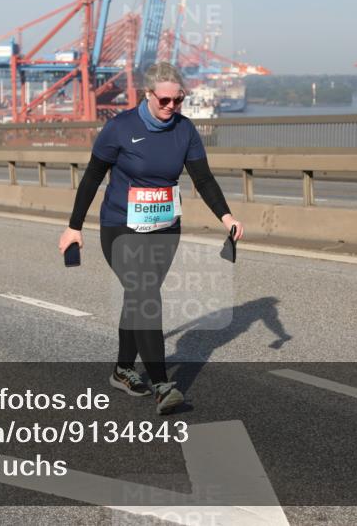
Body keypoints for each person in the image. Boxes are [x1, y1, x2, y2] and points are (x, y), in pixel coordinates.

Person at [58, 63, 244, 415]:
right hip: (120, 227)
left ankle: (123, 369)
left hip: (164, 229)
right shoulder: (119, 128)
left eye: (179, 100)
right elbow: (92, 177)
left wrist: (227, 217)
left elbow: (203, 179)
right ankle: (162, 384)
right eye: (165, 100)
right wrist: (74, 226)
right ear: (147, 95)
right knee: (146, 294)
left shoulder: (185, 130)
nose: (172, 107)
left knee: (137, 296)